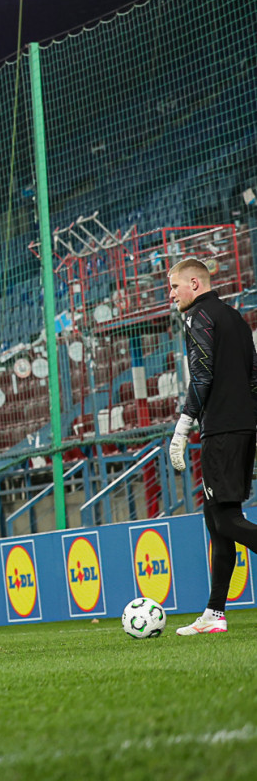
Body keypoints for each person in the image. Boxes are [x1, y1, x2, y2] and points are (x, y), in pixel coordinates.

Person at [167, 258, 257, 635]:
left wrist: (182, 427)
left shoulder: (198, 316)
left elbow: (201, 375)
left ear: (194, 284)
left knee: (224, 520)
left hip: (221, 431)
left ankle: (214, 613)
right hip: (243, 427)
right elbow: (254, 376)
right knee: (217, 521)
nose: (171, 295)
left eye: (174, 287)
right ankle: (214, 613)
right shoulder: (235, 317)